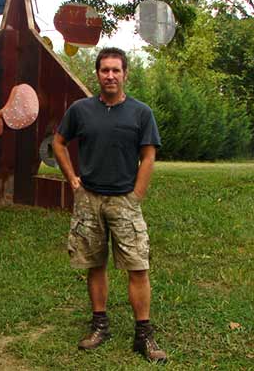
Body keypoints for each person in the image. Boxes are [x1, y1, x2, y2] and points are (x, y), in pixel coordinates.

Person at [52, 47, 166, 362]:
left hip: (124, 201)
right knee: (95, 264)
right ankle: (99, 325)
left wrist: (137, 194)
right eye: (105, 70)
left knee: (138, 267)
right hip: (89, 200)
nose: (110, 76)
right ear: (98, 73)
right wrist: (72, 178)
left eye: (116, 70)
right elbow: (58, 143)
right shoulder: (80, 110)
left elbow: (149, 155)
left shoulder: (141, 113)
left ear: (125, 74)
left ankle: (143, 334)